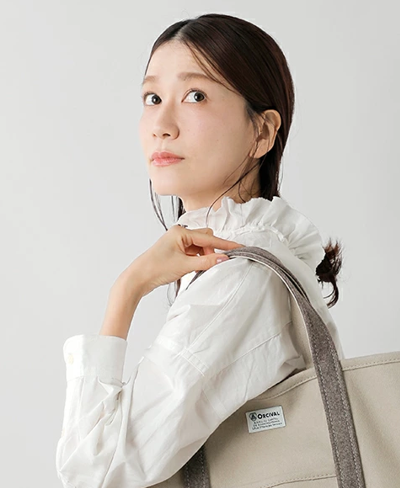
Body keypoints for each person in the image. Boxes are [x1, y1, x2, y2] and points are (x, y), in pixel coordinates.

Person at [55, 13, 345, 488]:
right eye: (152, 98)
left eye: (195, 96)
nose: (161, 125)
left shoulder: (238, 279)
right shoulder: (248, 258)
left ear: (262, 133)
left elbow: (95, 470)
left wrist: (127, 290)